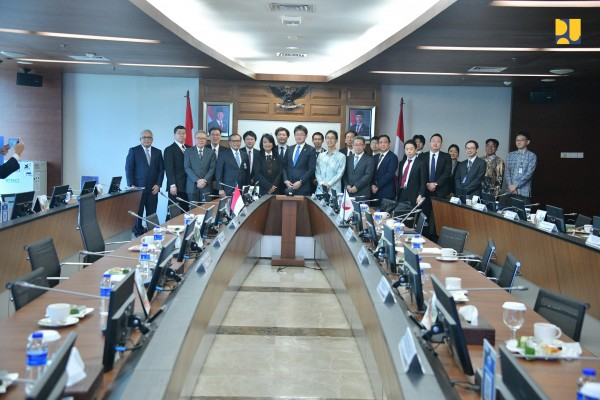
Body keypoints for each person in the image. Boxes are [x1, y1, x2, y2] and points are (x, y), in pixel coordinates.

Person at [125, 129, 164, 236]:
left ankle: (151, 231)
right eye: (144, 137)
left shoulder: (158, 152)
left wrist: (158, 184)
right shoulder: (134, 151)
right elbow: (129, 168)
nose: (147, 139)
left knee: (152, 212)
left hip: (153, 189)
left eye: (149, 137)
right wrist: (131, 184)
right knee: (138, 212)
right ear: (140, 139)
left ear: (152, 139)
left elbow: (161, 170)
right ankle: (138, 231)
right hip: (138, 188)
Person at [421, 133, 451, 240]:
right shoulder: (422, 156)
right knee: (424, 215)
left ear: (441, 144)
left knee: (437, 217)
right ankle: (423, 236)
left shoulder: (446, 156)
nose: (435, 143)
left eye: (438, 141)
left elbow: (447, 173)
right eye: (433, 141)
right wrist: (427, 184)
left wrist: (436, 184)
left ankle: (435, 239)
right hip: (425, 190)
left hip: (440, 191)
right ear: (430, 143)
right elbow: (421, 173)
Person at [283, 125, 317, 196]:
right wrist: (285, 180)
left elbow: (311, 169)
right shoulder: (289, 149)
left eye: (301, 134)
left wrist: (301, 181)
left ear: (306, 136)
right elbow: (284, 166)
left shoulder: (311, 150)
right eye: (297, 134)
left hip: (303, 186)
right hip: (288, 185)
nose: (299, 137)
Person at [184, 130, 216, 203]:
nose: (201, 140)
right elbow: (187, 167)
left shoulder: (211, 152)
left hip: (206, 186)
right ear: (195, 139)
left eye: (203, 138)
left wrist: (204, 180)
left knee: (206, 208)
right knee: (193, 209)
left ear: (206, 140)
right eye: (198, 138)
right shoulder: (188, 151)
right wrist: (197, 180)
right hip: (192, 186)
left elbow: (212, 168)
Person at [163, 125, 189, 212]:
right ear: (174, 135)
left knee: (186, 210)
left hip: (188, 185)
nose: (182, 135)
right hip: (176, 186)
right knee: (175, 211)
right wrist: (172, 185)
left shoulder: (189, 148)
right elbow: (169, 169)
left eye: (184, 133)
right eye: (179, 133)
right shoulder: (169, 149)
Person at [505, 131, 537, 200]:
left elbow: (529, 173)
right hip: (509, 190)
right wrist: (510, 186)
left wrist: (516, 185)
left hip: (523, 192)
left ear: (527, 142)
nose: (518, 142)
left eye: (521, 140)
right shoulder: (510, 155)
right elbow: (507, 171)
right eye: (517, 140)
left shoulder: (532, 156)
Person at [396, 140, 427, 206]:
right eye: (407, 149)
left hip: (414, 195)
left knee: (411, 212)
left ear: (415, 150)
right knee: (400, 211)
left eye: (411, 149)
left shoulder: (421, 163)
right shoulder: (402, 163)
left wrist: (420, 195)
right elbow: (400, 179)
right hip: (401, 193)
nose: (409, 151)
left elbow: (423, 181)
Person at [315, 130, 345, 196]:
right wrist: (321, 183)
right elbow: (317, 171)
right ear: (325, 140)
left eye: (332, 138)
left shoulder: (341, 156)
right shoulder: (321, 156)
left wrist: (329, 184)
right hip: (320, 189)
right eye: (328, 138)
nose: (329, 140)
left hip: (334, 189)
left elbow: (339, 174)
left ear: (336, 140)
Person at [371, 135, 398, 203]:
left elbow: (390, 174)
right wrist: (372, 184)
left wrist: (377, 186)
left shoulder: (393, 157)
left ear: (389, 144)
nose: (383, 144)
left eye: (385, 142)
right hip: (374, 191)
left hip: (386, 192)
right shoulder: (375, 157)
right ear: (378, 144)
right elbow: (371, 173)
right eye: (380, 142)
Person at [208, 127, 222, 196]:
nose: (215, 137)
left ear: (220, 136)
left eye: (217, 135)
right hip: (207, 183)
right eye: (213, 135)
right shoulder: (204, 149)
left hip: (221, 184)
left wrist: (218, 181)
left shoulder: (226, 150)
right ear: (209, 136)